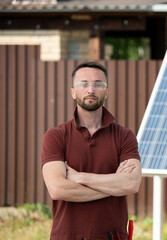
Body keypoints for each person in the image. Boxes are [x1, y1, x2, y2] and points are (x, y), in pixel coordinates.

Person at [41, 61, 142, 240]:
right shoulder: (56, 136)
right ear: (73, 92)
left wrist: (80, 177)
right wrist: (113, 186)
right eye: (83, 84)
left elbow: (131, 184)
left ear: (107, 91)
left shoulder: (124, 136)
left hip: (113, 236)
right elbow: (58, 189)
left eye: (98, 84)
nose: (90, 90)